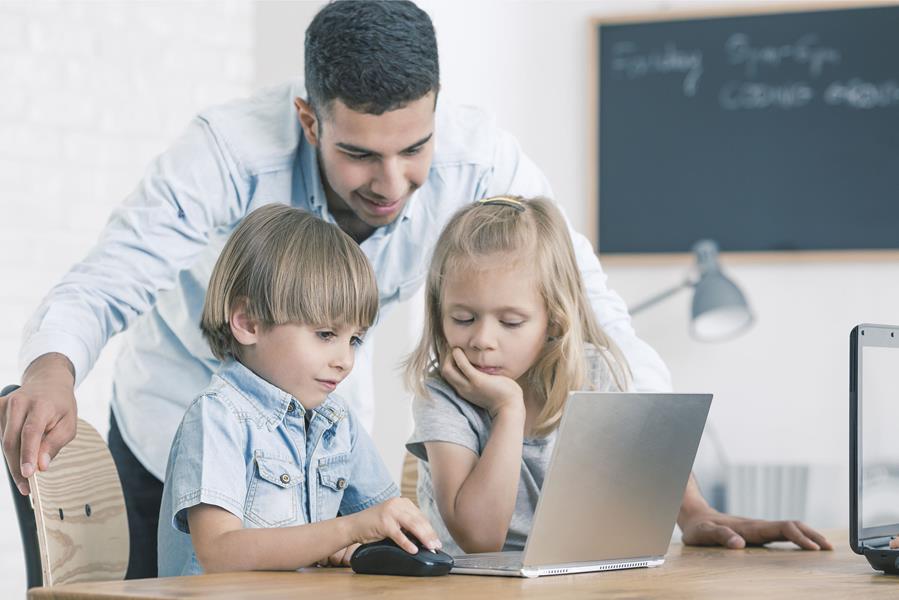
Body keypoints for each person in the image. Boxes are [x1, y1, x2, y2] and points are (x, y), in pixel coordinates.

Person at [0, 0, 803, 579]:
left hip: (323, 429)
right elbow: (115, 271)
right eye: (359, 156)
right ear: (309, 120)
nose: (393, 184)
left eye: (413, 149)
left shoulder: (479, 155)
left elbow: (587, 303)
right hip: (178, 414)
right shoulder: (225, 152)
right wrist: (52, 365)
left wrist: (678, 497)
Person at [405, 196, 833, 554]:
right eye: (462, 318)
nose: (481, 339)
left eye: (511, 322)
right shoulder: (442, 395)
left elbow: (642, 448)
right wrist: (508, 409)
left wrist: (695, 514)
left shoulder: (591, 370)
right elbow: (481, 541)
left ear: (553, 321)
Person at [158, 204, 440, 576]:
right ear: (248, 323)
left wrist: (363, 540)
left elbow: (382, 521)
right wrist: (344, 531)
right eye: (325, 334)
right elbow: (219, 552)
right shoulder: (217, 417)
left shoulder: (337, 422)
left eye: (354, 339)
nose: (345, 360)